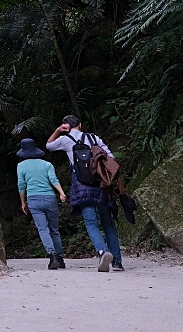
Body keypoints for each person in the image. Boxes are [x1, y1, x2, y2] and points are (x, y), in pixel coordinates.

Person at [47, 115, 124, 272]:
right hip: (100, 184)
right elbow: (111, 158)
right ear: (80, 125)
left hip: (81, 185)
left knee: (90, 222)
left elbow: (49, 146)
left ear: (65, 126)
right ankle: (117, 262)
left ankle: (102, 251)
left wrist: (57, 131)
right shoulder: (93, 137)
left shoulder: (65, 140)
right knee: (107, 223)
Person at [16, 138, 68, 270]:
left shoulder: (21, 166)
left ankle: (52, 255)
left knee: (43, 229)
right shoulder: (47, 164)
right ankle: (60, 258)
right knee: (54, 229)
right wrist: (61, 192)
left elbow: (21, 185)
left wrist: (23, 202)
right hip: (50, 198)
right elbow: (53, 179)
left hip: (33, 199)